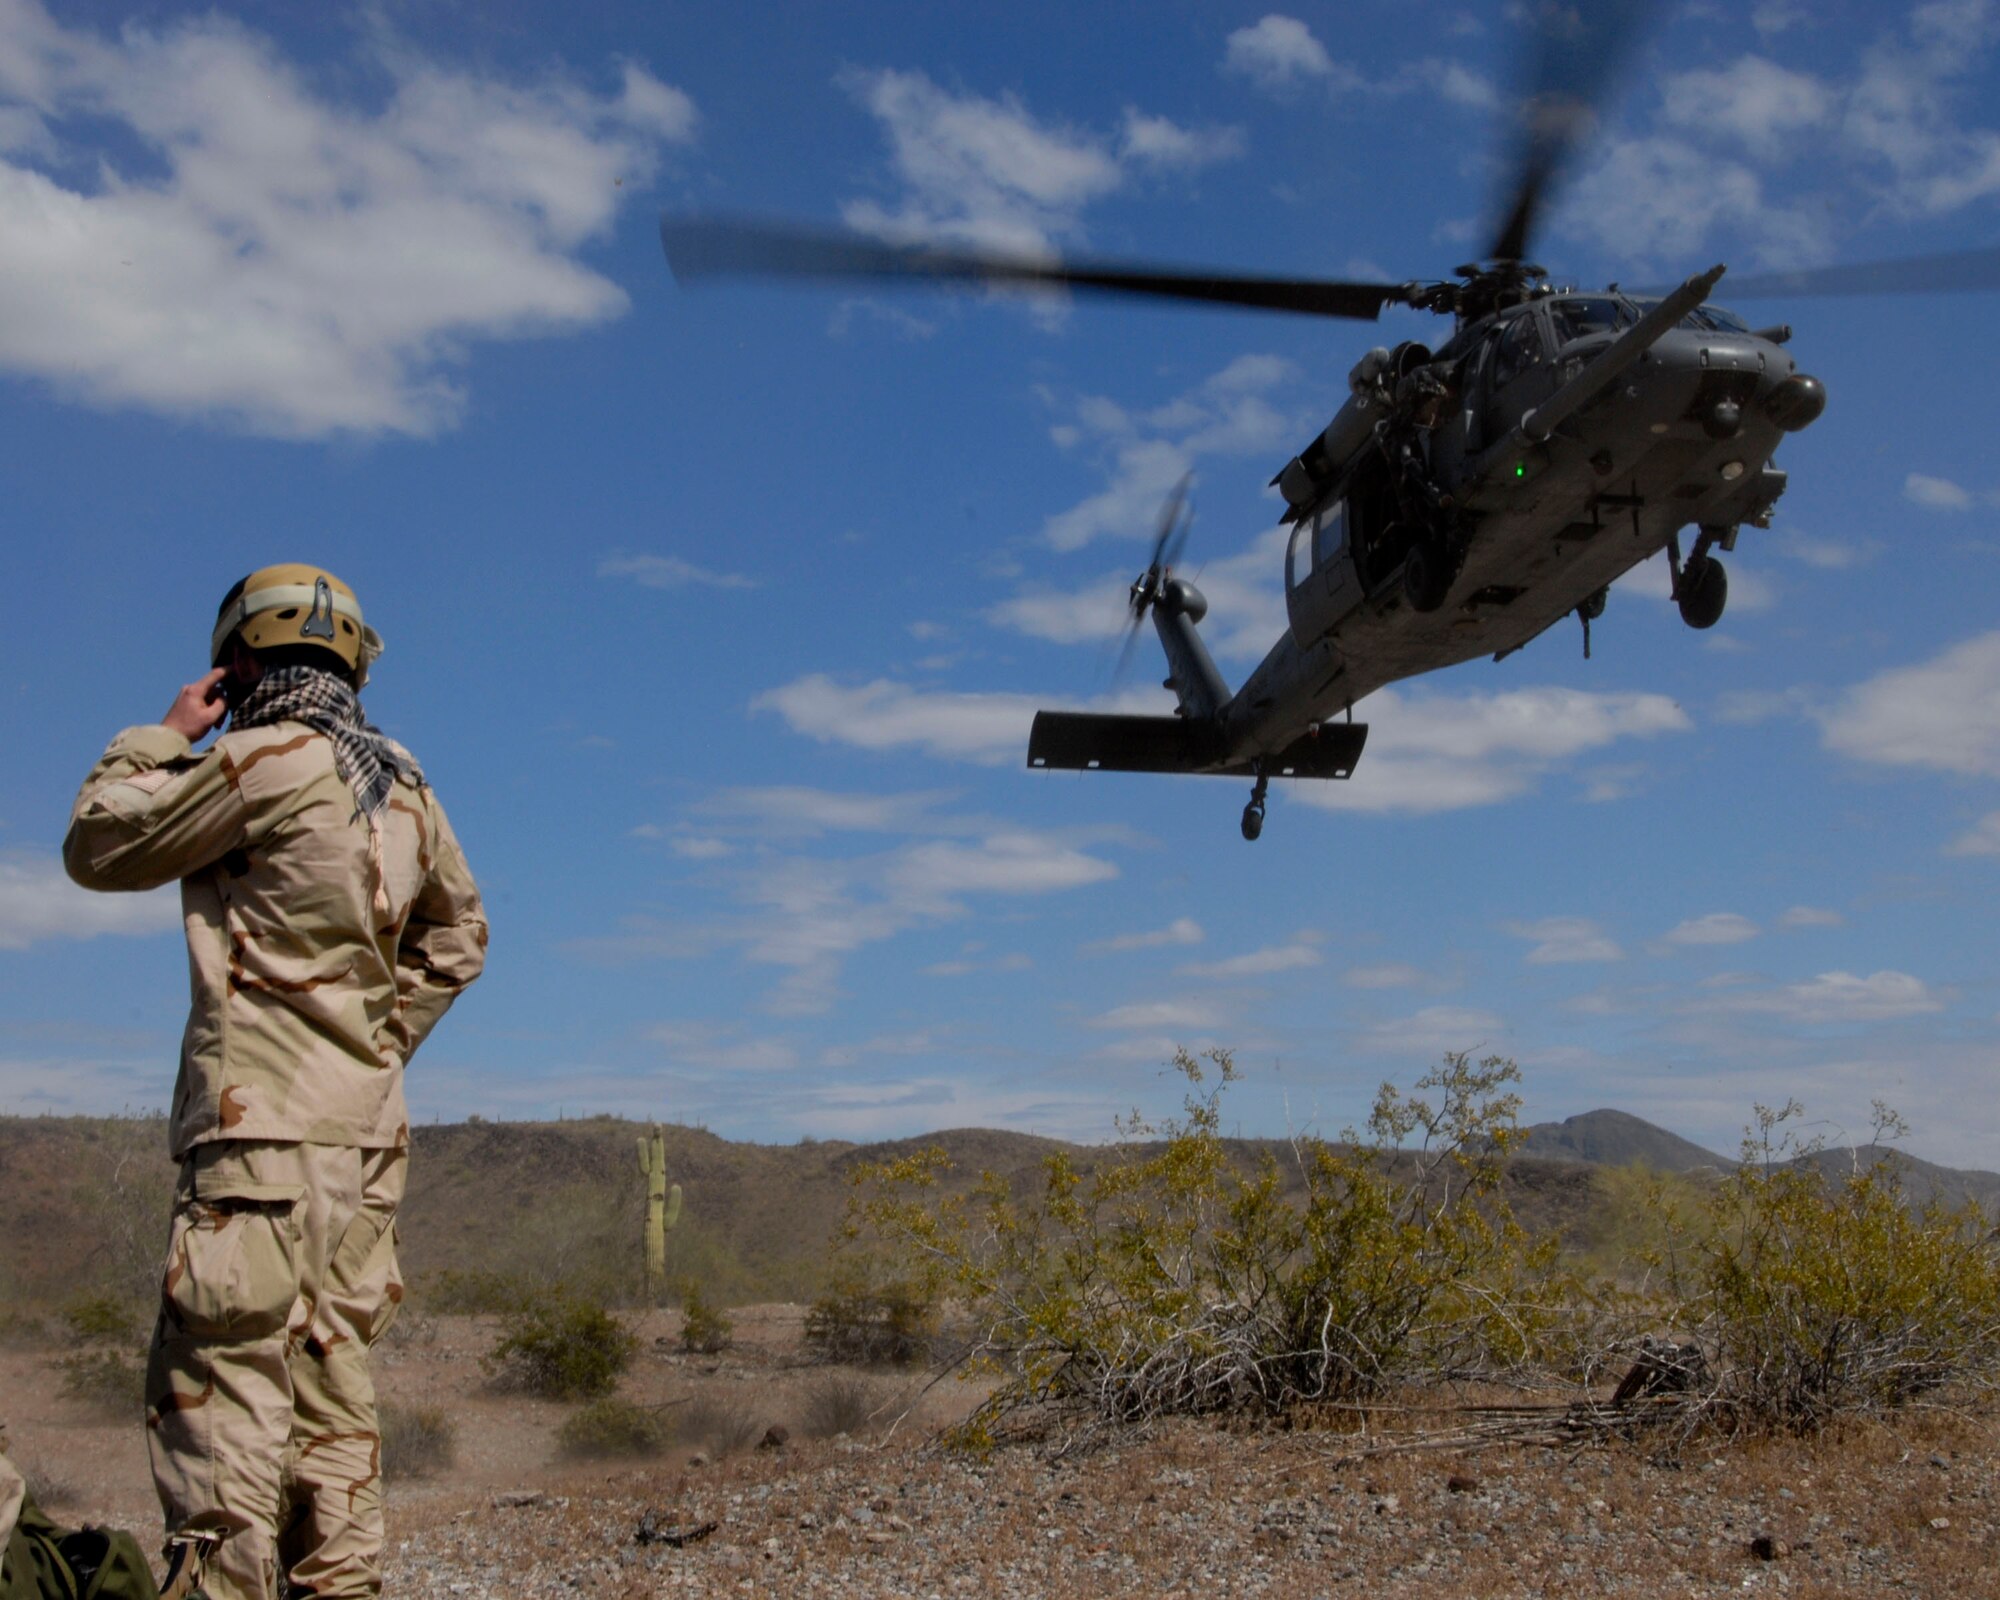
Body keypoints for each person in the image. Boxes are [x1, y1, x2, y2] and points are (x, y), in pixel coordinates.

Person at [63, 566, 488, 1600]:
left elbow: (101, 844)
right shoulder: (405, 785)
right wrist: (375, 1044)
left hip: (258, 1135)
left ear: (240, 659)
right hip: (365, 1141)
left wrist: (161, 734)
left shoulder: (267, 757)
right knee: (332, 1383)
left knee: (222, 1395)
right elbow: (461, 938)